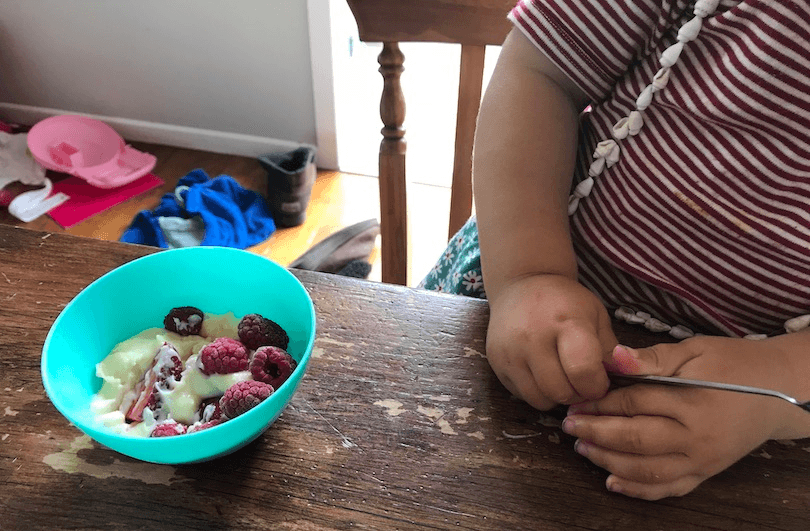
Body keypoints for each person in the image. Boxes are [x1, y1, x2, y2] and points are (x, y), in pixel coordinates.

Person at [420, 0, 810, 500]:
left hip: (759, 416)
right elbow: (540, 70)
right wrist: (528, 275)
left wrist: (778, 381)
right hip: (527, 288)